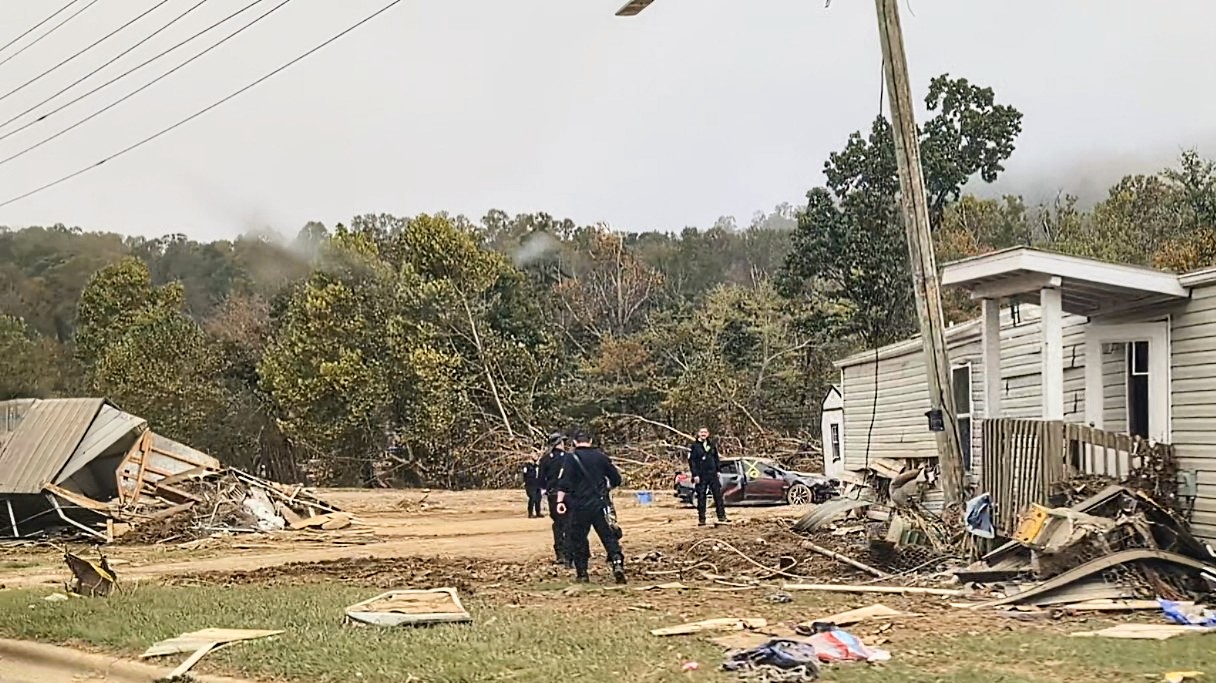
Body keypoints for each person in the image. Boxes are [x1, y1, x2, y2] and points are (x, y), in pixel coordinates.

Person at [555, 432, 626, 584]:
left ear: (574, 442)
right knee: (608, 536)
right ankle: (617, 562)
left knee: (579, 538)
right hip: (600, 504)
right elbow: (616, 479)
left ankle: (582, 573)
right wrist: (606, 488)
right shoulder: (601, 457)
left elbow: (564, 482)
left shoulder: (570, 458)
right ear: (591, 440)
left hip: (579, 504)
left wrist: (559, 502)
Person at [537, 432, 570, 565]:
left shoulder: (545, 459)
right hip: (568, 494)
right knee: (569, 523)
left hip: (553, 495)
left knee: (558, 524)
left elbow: (540, 480)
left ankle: (560, 553)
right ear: (559, 443)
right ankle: (570, 553)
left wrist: (547, 491)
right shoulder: (569, 458)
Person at [689, 426, 728, 526]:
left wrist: (718, 470)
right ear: (698, 434)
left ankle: (722, 516)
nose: (703, 434)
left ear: (708, 434)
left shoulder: (712, 445)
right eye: (701, 432)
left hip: (713, 474)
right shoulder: (694, 446)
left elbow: (716, 458)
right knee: (701, 497)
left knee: (718, 495)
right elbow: (692, 462)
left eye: (705, 432)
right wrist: (695, 475)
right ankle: (702, 519)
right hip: (701, 475)